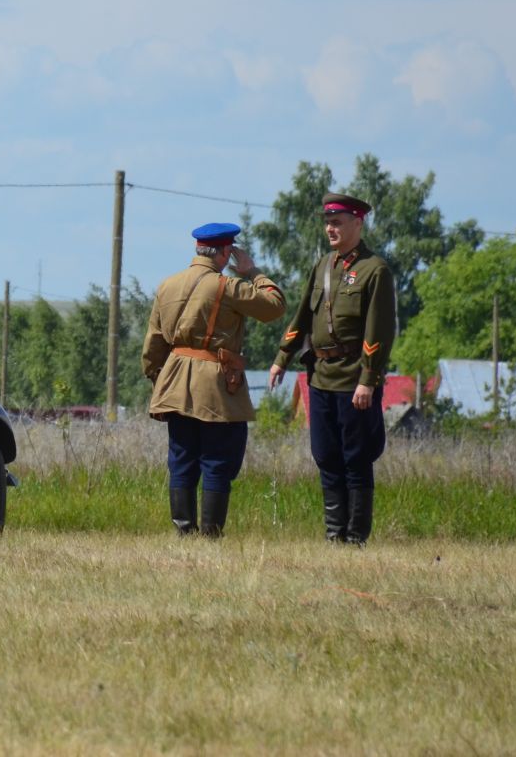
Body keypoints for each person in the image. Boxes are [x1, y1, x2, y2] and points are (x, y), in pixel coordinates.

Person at [268, 194, 397, 545]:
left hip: (354, 378)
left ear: (358, 223)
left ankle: (355, 537)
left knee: (356, 458)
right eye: (328, 222)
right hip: (321, 376)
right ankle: (333, 534)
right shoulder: (323, 265)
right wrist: (283, 356)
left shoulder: (375, 270)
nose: (330, 228)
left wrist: (368, 380)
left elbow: (379, 330)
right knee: (325, 455)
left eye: (338, 222)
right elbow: (303, 316)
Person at [143, 224, 285, 537]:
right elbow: (275, 306)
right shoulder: (227, 286)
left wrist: (160, 381)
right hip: (217, 386)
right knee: (219, 458)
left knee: (181, 458)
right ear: (224, 252)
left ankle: (184, 531)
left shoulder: (167, 285)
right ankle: (210, 534)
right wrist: (253, 272)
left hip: (175, 381)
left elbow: (153, 344)